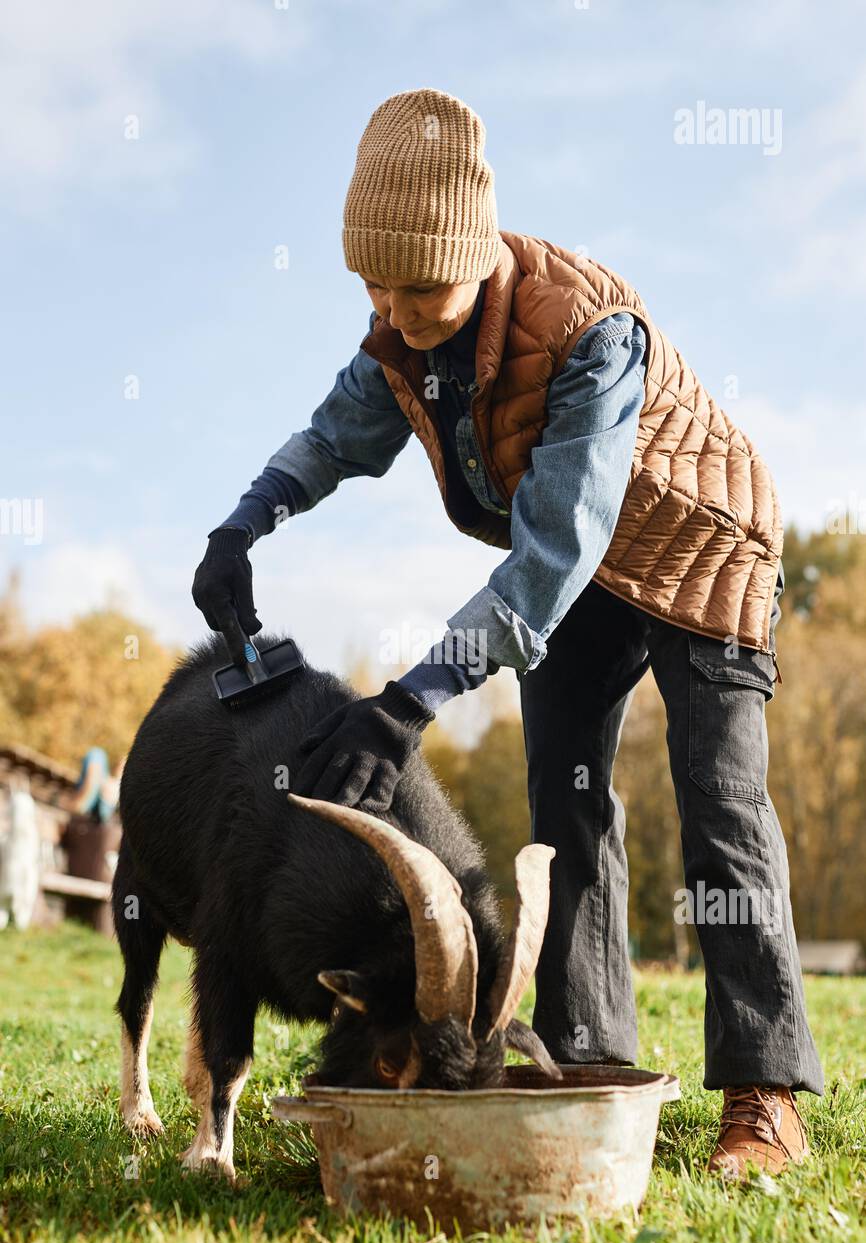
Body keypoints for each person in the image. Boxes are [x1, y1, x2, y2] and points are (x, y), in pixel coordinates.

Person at [192, 87, 824, 1179]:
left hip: (699, 550)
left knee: (719, 805)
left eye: (419, 283)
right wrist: (243, 524)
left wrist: (405, 705)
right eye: (373, 284)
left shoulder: (589, 332)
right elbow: (332, 435)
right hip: (576, 568)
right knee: (563, 806)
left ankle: (761, 1097)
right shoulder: (401, 329)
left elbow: (546, 556)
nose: (395, 306)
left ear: (476, 252)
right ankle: (583, 1057)